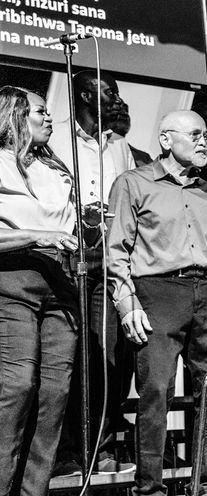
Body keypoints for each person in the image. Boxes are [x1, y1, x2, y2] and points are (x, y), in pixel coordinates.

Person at [107, 110, 207, 495]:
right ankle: (150, 488)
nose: (203, 142)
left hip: (204, 292)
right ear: (165, 139)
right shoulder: (133, 182)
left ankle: (206, 484)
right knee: (156, 390)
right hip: (157, 291)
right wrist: (127, 305)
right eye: (194, 134)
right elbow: (116, 251)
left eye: (205, 136)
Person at [50, 70, 138, 475]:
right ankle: (66, 449)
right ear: (87, 94)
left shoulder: (119, 146)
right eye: (110, 91)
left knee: (105, 357)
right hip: (68, 262)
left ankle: (98, 446)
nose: (117, 99)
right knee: (69, 358)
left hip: (108, 262)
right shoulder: (56, 139)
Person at [0, 86, 78, 496]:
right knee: (17, 386)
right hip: (13, 283)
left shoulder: (56, 170)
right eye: (41, 112)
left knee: (55, 392)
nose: (49, 119)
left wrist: (90, 224)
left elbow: (68, 231)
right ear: (15, 116)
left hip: (60, 287)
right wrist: (35, 235)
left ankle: (34, 491)